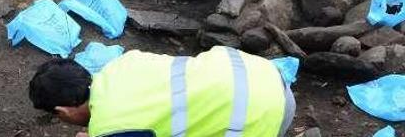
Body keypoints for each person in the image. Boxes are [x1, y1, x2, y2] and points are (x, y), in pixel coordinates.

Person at [28, 46, 295, 137]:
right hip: (264, 73)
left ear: (62, 111)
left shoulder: (111, 127)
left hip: (265, 112)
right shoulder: (122, 63)